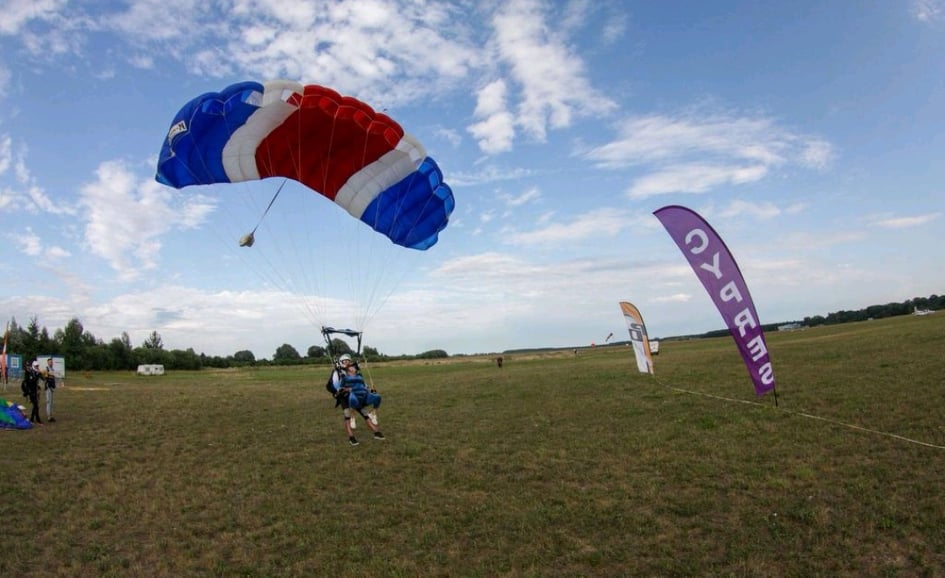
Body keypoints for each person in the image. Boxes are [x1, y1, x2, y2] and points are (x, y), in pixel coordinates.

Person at [328, 354, 384, 446]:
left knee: (364, 413)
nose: (346, 362)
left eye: (348, 361)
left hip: (356, 396)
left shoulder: (355, 371)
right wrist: (338, 391)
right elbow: (333, 386)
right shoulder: (337, 373)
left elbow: (362, 383)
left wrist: (368, 389)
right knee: (347, 415)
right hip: (344, 398)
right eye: (344, 361)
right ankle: (351, 437)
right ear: (341, 362)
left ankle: (376, 432)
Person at [21, 360, 42, 424]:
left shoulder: (34, 372)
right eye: (36, 366)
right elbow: (31, 381)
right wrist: (37, 375)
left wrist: (38, 386)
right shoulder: (29, 373)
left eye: (38, 366)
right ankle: (38, 419)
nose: (37, 367)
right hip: (30, 391)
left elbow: (36, 381)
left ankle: (32, 419)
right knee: (36, 406)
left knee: (35, 405)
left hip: (35, 391)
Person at [42, 357, 57, 423]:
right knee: (48, 402)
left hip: (52, 388)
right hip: (48, 388)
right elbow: (46, 378)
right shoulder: (46, 369)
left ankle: (51, 416)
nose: (51, 363)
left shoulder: (52, 369)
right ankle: (48, 417)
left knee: (51, 403)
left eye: (51, 362)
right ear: (48, 363)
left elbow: (53, 378)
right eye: (50, 362)